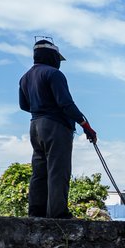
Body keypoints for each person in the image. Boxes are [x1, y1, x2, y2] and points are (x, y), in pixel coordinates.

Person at [18, 38, 97, 218]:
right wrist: (86, 125)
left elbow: (23, 105)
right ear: (51, 56)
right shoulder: (54, 74)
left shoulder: (25, 77)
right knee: (58, 170)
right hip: (55, 125)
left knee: (39, 171)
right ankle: (58, 213)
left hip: (35, 126)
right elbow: (66, 104)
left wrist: (40, 106)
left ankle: (36, 213)